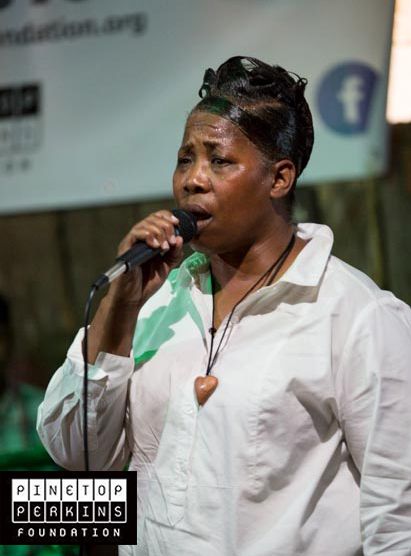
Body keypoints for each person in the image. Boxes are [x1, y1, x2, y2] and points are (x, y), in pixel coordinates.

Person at [37, 56, 411, 555]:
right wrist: (120, 308)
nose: (192, 179)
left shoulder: (358, 316)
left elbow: (398, 520)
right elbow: (75, 455)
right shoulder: (156, 302)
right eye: (184, 159)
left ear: (279, 179)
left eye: (219, 161)